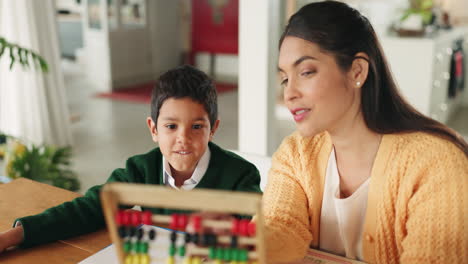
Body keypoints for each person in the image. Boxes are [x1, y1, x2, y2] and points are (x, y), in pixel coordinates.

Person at [264, 1, 468, 263]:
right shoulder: (296, 154)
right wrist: (241, 245)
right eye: (284, 78)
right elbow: (280, 226)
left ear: (357, 71)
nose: (289, 93)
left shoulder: (437, 165)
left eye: (305, 72)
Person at [0, 65, 261, 252]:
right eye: (171, 127)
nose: (183, 138)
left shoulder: (241, 175)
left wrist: (229, 226)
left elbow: (267, 224)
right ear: (153, 129)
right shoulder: (140, 170)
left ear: (213, 129)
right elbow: (89, 209)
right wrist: (15, 236)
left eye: (196, 127)